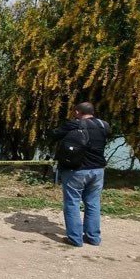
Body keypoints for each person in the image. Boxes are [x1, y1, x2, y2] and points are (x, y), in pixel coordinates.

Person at [53, 102, 110, 247]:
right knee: (93, 203)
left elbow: (54, 135)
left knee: (72, 203)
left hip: (76, 170)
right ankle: (94, 238)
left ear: (77, 111)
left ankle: (75, 239)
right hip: (98, 170)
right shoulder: (103, 125)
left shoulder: (73, 124)